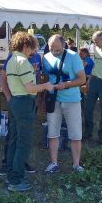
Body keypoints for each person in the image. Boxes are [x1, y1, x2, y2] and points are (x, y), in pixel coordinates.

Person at [4, 32, 53, 192]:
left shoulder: (11, 60)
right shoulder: (23, 61)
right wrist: (46, 86)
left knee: (14, 140)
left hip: (15, 101)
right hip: (24, 102)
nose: (33, 53)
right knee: (23, 143)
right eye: (32, 49)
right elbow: (30, 88)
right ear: (25, 46)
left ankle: (11, 174)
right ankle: (16, 181)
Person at [42, 35, 86, 173]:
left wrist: (66, 85)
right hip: (53, 99)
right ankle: (54, 163)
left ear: (64, 45)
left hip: (72, 100)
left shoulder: (73, 57)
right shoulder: (46, 57)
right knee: (52, 133)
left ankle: (76, 165)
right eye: (51, 49)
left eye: (58, 49)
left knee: (75, 134)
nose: (54, 52)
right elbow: (46, 77)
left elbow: (82, 79)